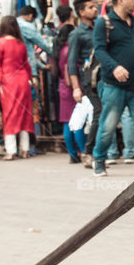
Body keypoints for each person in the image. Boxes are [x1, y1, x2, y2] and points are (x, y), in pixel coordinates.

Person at [91, 0, 134, 177]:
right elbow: (99, 50)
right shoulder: (104, 23)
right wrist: (115, 67)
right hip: (114, 85)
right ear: (120, 0)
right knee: (108, 126)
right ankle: (99, 159)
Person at [0, 16, 34, 160]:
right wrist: (31, 79)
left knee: (10, 115)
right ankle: (25, 149)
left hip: (8, 82)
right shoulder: (20, 44)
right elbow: (26, 64)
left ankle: (11, 150)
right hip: (23, 81)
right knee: (25, 115)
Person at [67, 0, 98, 168]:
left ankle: (96, 153)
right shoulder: (76, 34)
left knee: (102, 115)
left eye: (95, 6)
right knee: (98, 115)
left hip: (104, 78)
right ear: (81, 12)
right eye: (90, 7)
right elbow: (71, 63)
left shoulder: (99, 28)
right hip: (88, 81)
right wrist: (76, 88)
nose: (95, 9)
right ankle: (89, 152)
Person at [52, 23, 82, 162]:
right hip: (73, 87)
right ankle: (83, 151)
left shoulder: (60, 50)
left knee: (67, 122)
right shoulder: (70, 49)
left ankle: (72, 154)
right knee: (79, 121)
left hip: (64, 87)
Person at [16, 6, 53, 76]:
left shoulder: (12, 24)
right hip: (27, 69)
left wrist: (42, 66)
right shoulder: (27, 26)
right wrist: (57, 54)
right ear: (30, 16)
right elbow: (43, 45)